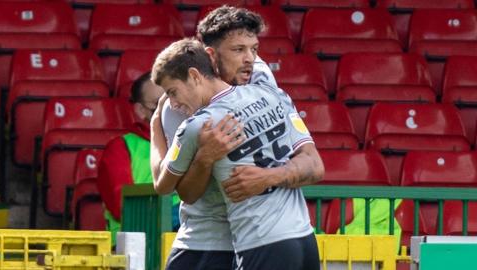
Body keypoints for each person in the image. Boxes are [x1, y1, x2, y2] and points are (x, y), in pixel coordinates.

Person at [153, 6, 325, 270]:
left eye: (253, 49)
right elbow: (182, 192)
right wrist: (204, 158)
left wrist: (268, 177)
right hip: (206, 242)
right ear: (210, 56)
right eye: (238, 50)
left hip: (263, 240)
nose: (250, 59)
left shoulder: (264, 85)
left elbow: (313, 164)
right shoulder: (179, 106)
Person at [96, 72, 180, 246]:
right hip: (136, 246)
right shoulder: (121, 148)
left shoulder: (192, 141)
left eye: (172, 97)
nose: (170, 107)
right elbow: (124, 208)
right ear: (140, 110)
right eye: (159, 103)